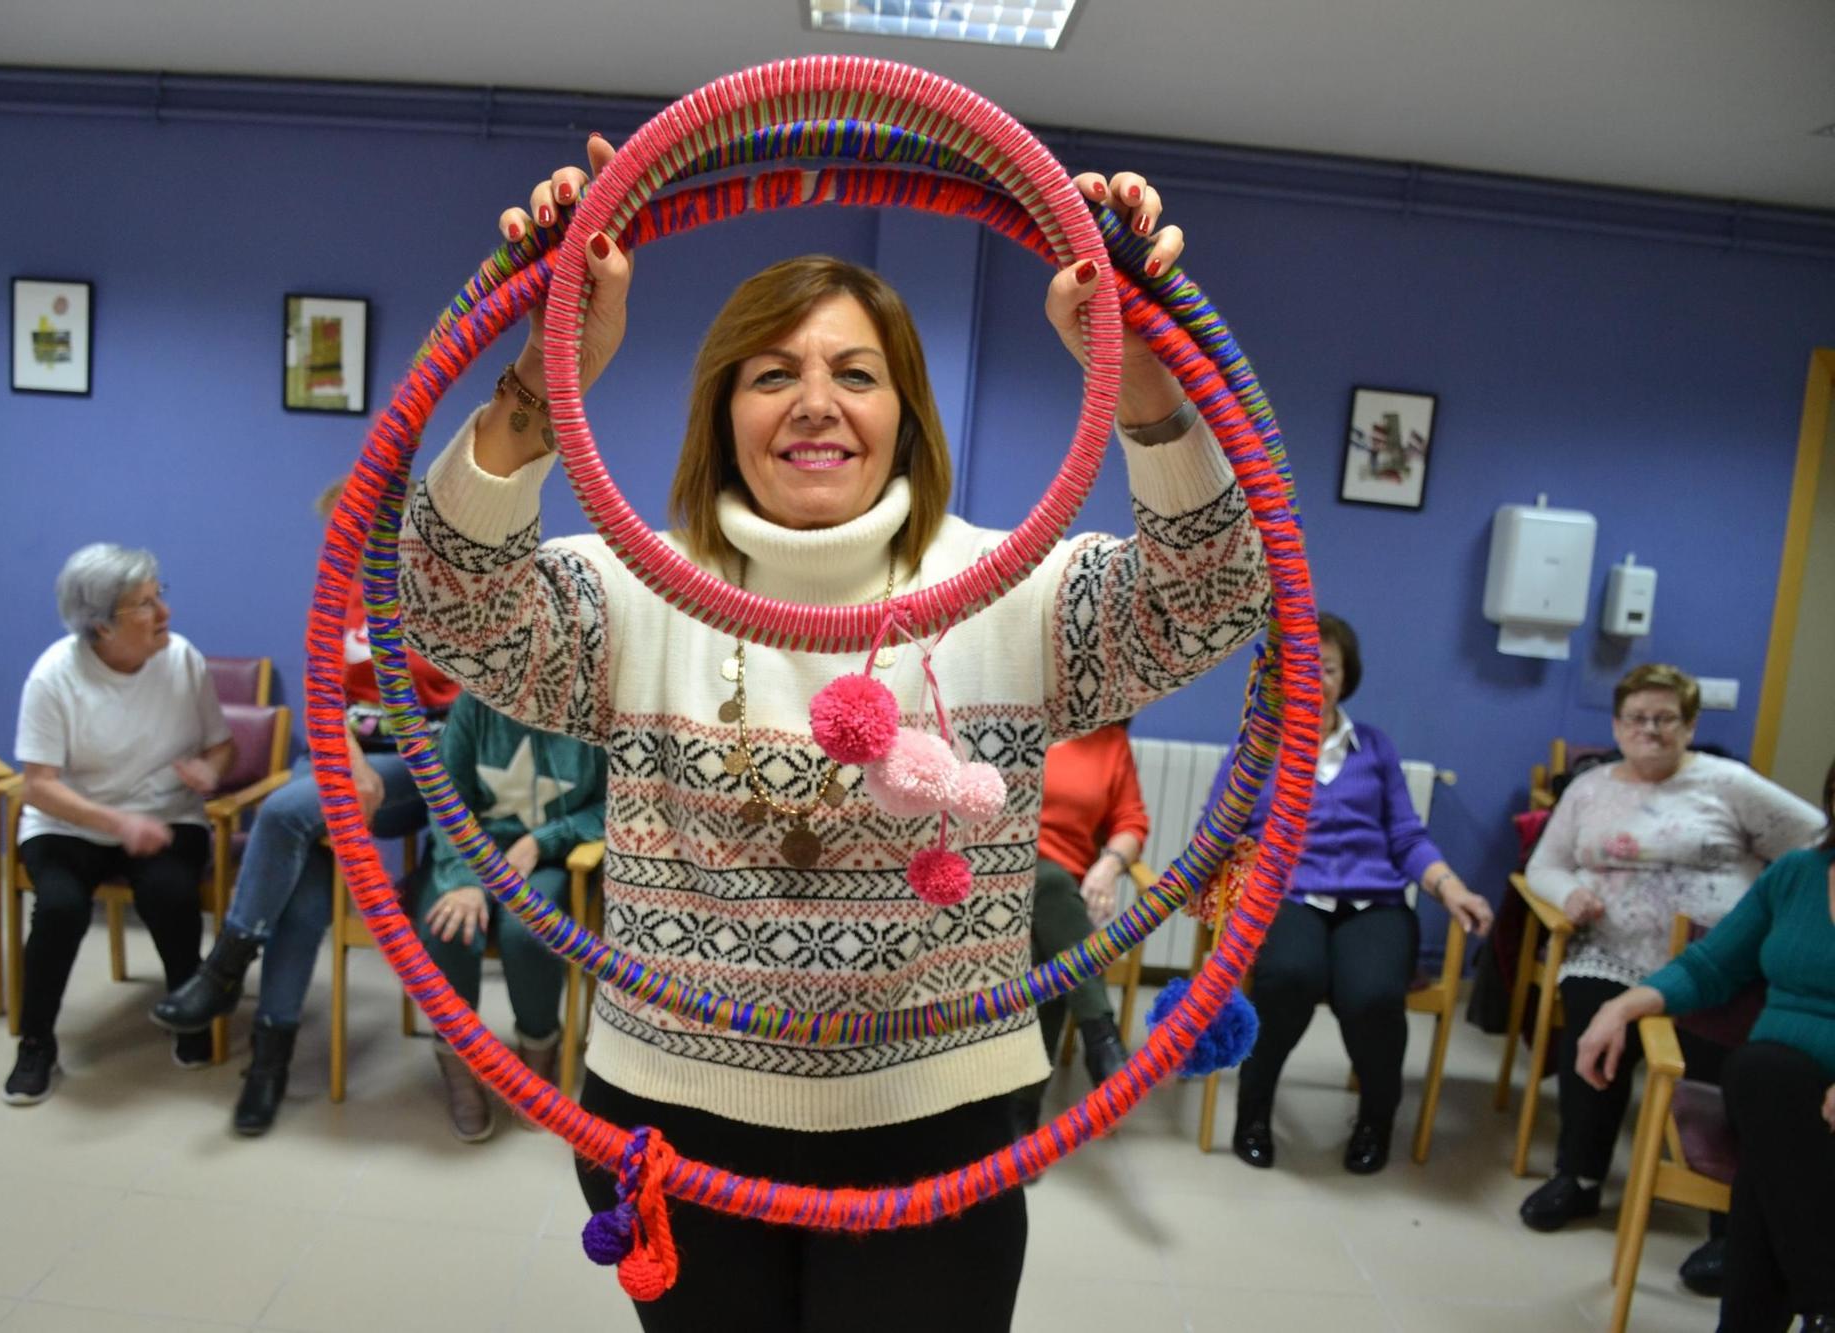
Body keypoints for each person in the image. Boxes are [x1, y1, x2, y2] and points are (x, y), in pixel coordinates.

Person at [397, 134, 1268, 1331]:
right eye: (770, 372)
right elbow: (450, 611)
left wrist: (1144, 383)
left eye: (855, 373)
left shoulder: (1010, 586)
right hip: (673, 1112)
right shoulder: (637, 585)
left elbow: (1209, 602)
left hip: (937, 1121)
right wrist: (538, 385)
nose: (814, 402)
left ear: (904, 409)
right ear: (723, 410)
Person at [150, 481, 458, 1136]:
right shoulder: (340, 592)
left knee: (287, 811)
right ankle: (270, 1055)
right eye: (343, 530)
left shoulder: (451, 591)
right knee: (304, 892)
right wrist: (345, 761)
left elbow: (459, 717)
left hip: (420, 771)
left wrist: (362, 766)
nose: (347, 543)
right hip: (342, 764)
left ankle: (225, 967)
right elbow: (323, 690)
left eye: (366, 527)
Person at [1518, 663, 1820, 1277]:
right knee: (1588, 1019)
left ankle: (1730, 1220)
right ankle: (1578, 1175)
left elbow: (1815, 839)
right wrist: (1571, 892)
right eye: (1636, 718)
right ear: (1616, 724)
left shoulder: (1728, 783)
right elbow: (1544, 863)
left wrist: (1774, 909)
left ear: (1690, 726)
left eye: (1665, 719)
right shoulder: (1591, 787)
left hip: (1712, 966)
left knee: (1730, 1066)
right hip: (1612, 951)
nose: (1649, 730)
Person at [1212, 612, 1493, 1174]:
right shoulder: (1257, 749)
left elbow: (1407, 836)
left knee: (1371, 997)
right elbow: (1219, 831)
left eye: (1328, 666)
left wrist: (1451, 887)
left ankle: (1375, 1120)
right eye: (1300, 665)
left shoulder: (1375, 748)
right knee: (1290, 978)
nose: (1313, 676)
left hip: (1375, 902)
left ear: (1346, 677)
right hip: (1288, 898)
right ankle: (1254, 1110)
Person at [1574, 755, 1835, 1333]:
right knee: (1764, 1080)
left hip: (1788, 1103)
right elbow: (1710, 966)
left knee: (1763, 1156)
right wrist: (1621, 1005)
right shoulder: (1798, 875)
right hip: (1780, 1097)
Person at [7, 544, 235, 1105]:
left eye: (160, 597)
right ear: (101, 625)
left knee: (171, 892)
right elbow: (39, 785)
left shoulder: (182, 658)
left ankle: (190, 1017)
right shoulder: (54, 675)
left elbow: (221, 745)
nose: (165, 614)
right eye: (145, 605)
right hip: (69, 822)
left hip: (164, 816)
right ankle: (35, 1043)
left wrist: (208, 770)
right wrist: (116, 822)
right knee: (59, 908)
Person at [413, 694, 606, 1142]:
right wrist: (464, 877)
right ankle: (458, 1062)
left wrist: (544, 840)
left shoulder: (592, 709)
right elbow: (446, 798)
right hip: (469, 851)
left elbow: (612, 803)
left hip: (548, 860)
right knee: (446, 929)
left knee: (528, 935)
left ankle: (538, 1052)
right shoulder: (473, 706)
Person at [1015, 719, 1146, 1131]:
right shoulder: (1016, 719)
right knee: (1050, 886)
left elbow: (1132, 822)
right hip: (996, 880)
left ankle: (1016, 1118)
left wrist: (1108, 867)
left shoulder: (1110, 744)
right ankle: (1100, 1034)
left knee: (1046, 957)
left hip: (1062, 901)